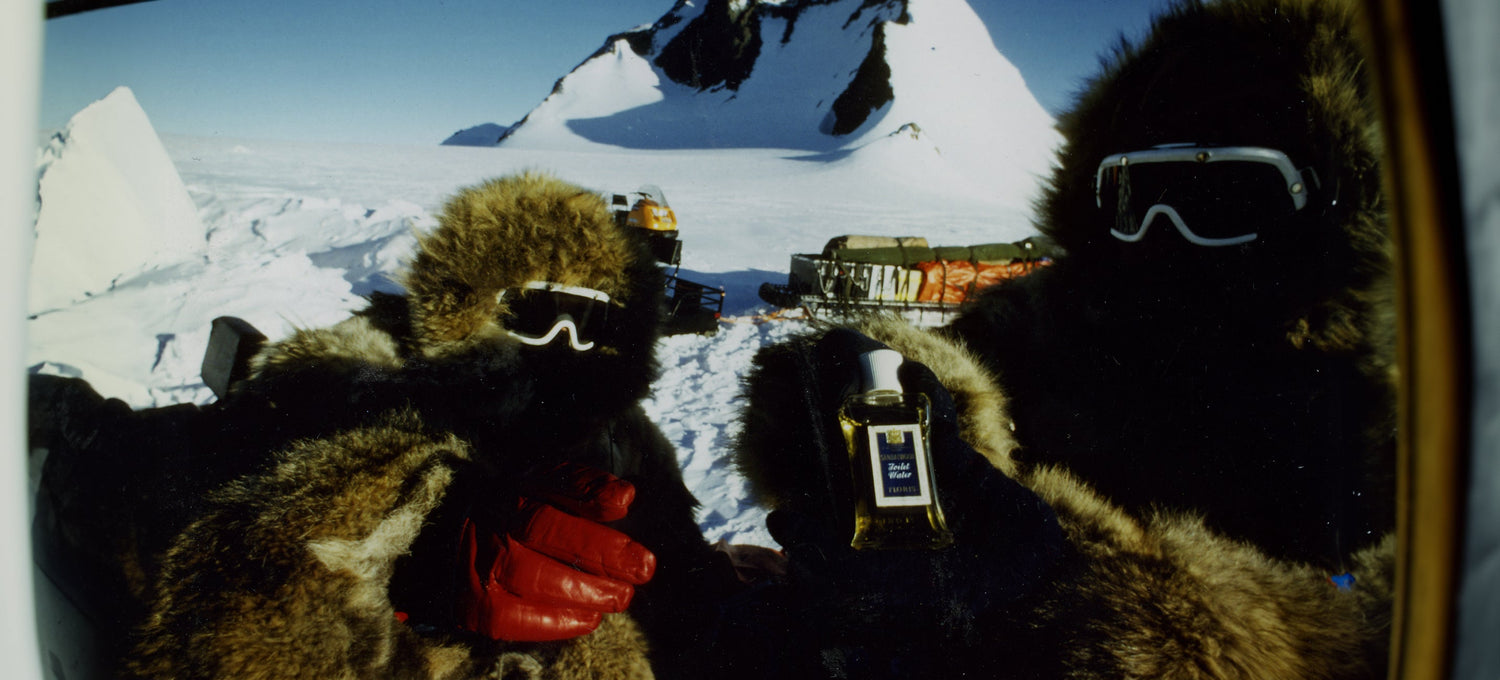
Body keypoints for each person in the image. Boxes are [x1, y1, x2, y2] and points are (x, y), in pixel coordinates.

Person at [729, 0, 1396, 676]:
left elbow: (1389, 630)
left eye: (1223, 197)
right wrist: (839, 400)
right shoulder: (1055, 329)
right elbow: (939, 377)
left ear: (1332, 206)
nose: (1163, 233)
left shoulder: (1402, 399)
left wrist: (1090, 598)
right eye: (1133, 199)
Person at [33, 171, 744, 679]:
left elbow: (685, 597)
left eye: (596, 322)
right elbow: (170, 479)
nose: (565, 340)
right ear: (466, 303)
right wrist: (405, 545)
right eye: (535, 310)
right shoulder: (347, 389)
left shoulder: (627, 448)